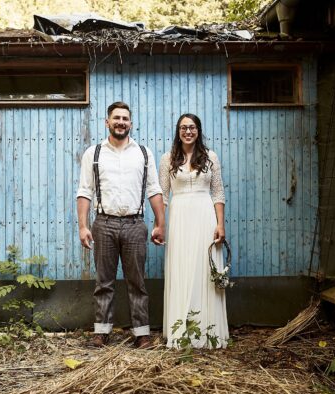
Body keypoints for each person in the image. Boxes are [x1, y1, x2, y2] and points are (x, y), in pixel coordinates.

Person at [77, 101, 165, 349]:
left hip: (135, 224)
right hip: (103, 224)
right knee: (103, 281)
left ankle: (142, 334)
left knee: (137, 281)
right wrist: (83, 226)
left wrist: (160, 223)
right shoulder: (93, 154)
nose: (120, 122)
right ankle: (101, 332)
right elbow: (84, 191)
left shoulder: (144, 153)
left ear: (131, 123)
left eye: (125, 118)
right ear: (107, 122)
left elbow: (154, 190)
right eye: (116, 118)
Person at [159, 113, 229, 349]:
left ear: (198, 130)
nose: (187, 131)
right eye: (183, 128)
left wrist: (220, 224)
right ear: (178, 131)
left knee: (203, 268)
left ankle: (208, 332)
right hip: (179, 218)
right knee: (182, 268)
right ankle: (181, 331)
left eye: (192, 127)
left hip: (204, 216)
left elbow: (218, 193)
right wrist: (160, 224)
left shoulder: (211, 158)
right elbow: (163, 197)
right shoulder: (167, 159)